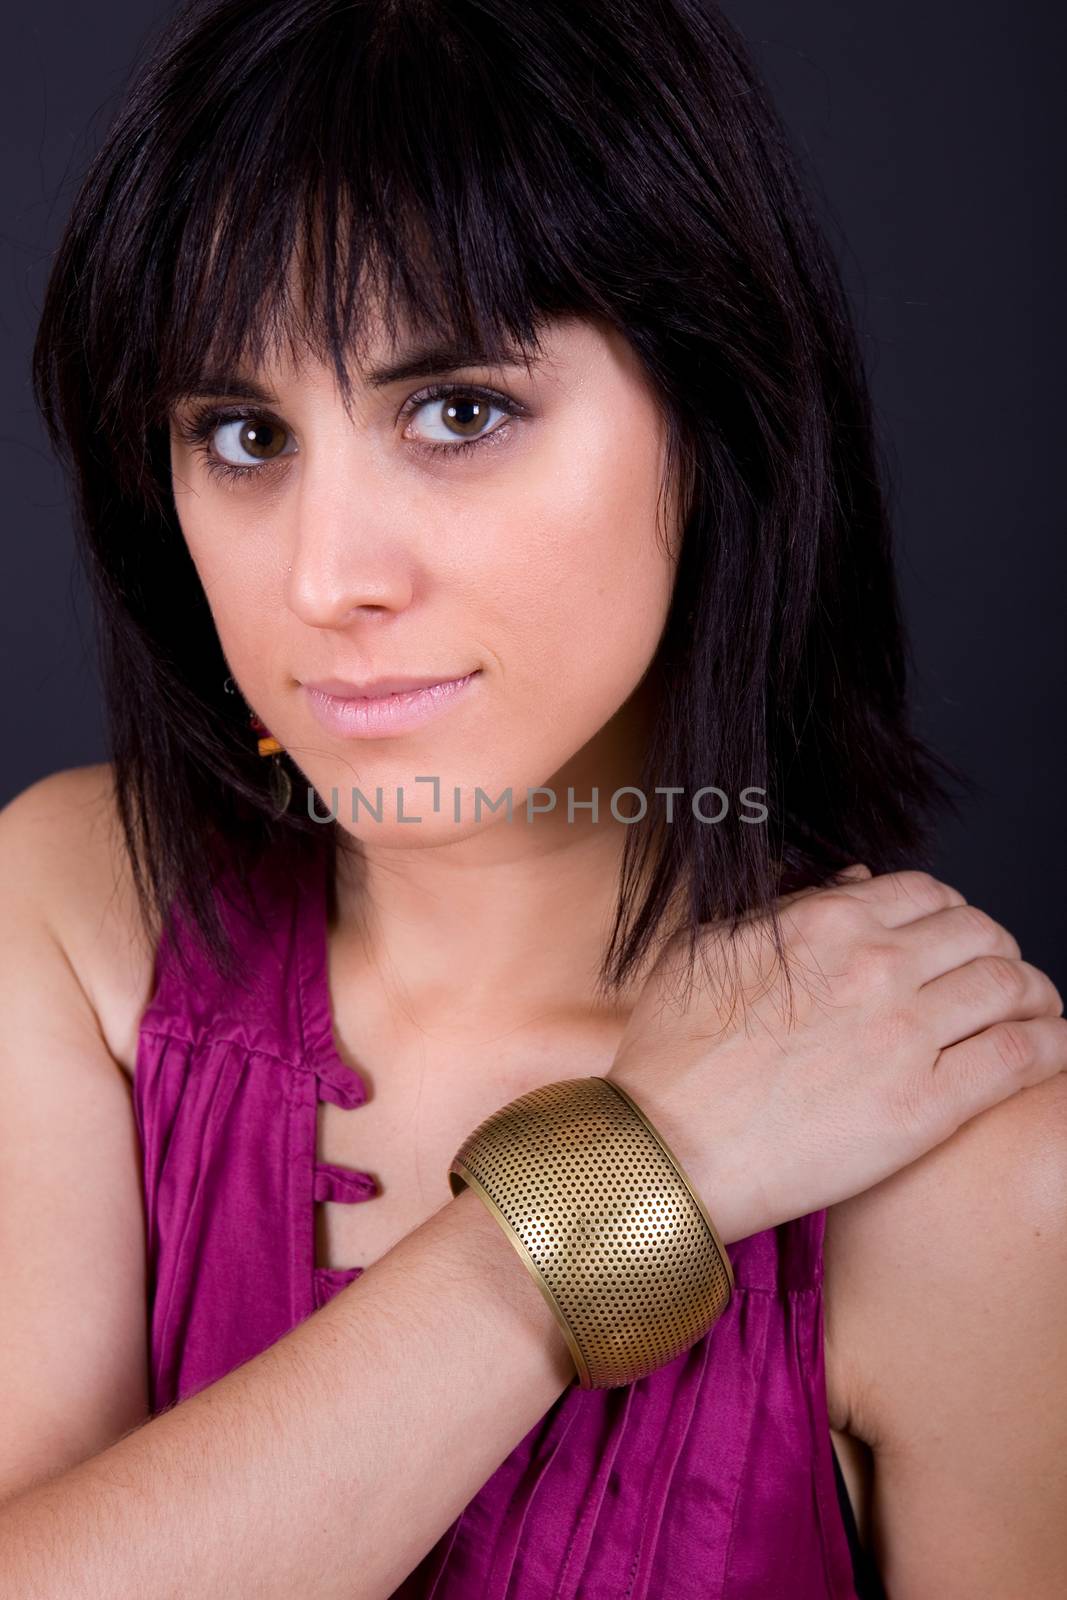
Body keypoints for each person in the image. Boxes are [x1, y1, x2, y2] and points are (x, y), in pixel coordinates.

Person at [1, 1, 1063, 1595]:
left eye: (461, 412)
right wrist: (639, 1179)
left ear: (716, 421)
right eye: (243, 433)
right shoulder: (78, 917)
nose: (325, 576)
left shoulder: (971, 1174)